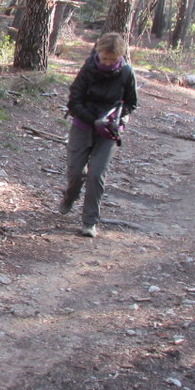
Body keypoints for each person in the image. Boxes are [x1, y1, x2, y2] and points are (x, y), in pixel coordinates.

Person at [59, 32, 138, 238]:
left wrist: (119, 117)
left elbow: (131, 102)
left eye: (113, 59)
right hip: (83, 126)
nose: (108, 62)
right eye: (105, 58)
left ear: (120, 56)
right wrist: (92, 120)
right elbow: (74, 101)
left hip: (108, 132)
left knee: (96, 175)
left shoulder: (126, 73)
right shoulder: (88, 69)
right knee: (76, 172)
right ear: (98, 52)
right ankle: (70, 196)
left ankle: (89, 222)